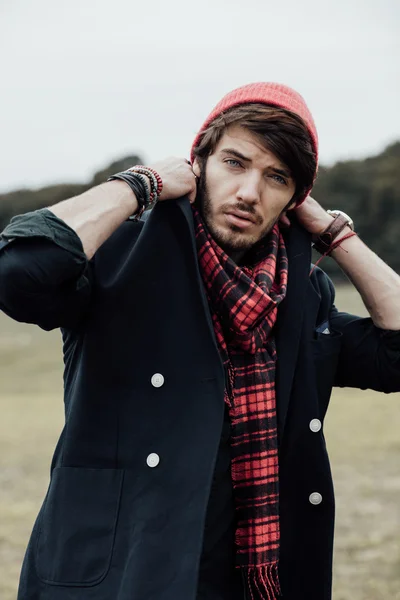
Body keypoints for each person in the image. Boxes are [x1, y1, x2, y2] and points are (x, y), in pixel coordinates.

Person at [0, 82, 399, 600]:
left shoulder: (303, 294)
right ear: (199, 164)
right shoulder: (121, 258)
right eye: (235, 163)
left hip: (251, 583)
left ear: (294, 199)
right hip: (120, 574)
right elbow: (20, 273)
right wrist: (138, 184)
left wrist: (334, 235)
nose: (251, 192)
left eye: (276, 177)